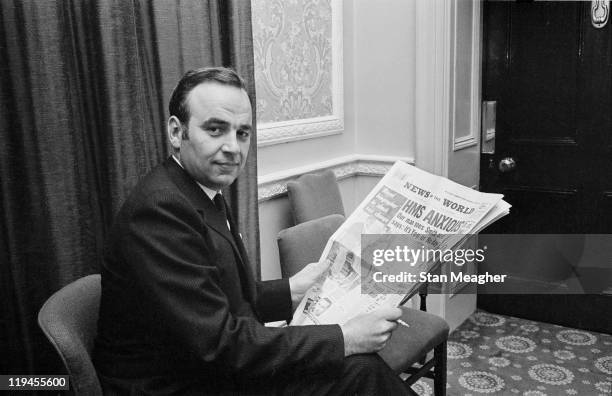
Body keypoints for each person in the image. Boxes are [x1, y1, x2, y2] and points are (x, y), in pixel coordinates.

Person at [93, 67, 410, 395]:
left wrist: (292, 289)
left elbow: (223, 294)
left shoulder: (199, 189)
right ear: (176, 132)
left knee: (359, 369)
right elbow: (219, 346)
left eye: (242, 133)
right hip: (180, 385)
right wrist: (346, 338)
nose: (233, 147)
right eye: (216, 129)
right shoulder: (160, 211)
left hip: (210, 369)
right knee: (359, 371)